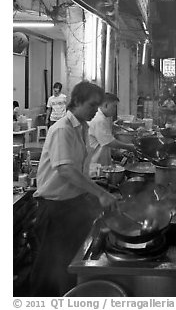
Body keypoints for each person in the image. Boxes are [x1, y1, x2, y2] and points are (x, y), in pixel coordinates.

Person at [30, 81, 117, 297]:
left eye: (98, 106)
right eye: (91, 105)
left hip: (72, 205)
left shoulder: (82, 128)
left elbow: (79, 171)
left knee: (70, 262)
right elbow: (66, 170)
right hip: (54, 209)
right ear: (76, 102)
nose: (95, 110)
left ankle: (68, 295)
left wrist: (93, 192)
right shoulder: (62, 129)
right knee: (52, 268)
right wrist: (100, 193)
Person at [88, 92, 136, 166]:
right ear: (105, 105)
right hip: (95, 163)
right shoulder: (99, 119)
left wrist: (118, 152)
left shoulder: (104, 117)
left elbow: (104, 139)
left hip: (100, 159)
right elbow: (109, 142)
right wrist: (129, 146)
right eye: (114, 106)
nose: (115, 109)